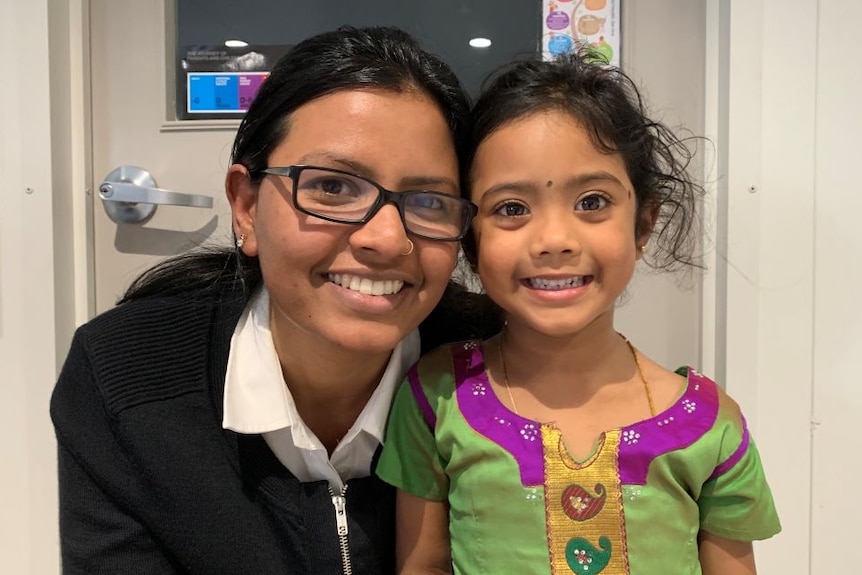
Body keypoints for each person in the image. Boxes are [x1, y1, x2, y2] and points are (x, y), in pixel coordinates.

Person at [50, 26, 501, 575]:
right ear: (246, 207)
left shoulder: (501, 372)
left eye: (428, 200)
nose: (386, 239)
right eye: (333, 187)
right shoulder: (124, 373)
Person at [377, 50, 781, 575]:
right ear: (471, 239)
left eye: (592, 201)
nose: (553, 241)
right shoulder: (436, 398)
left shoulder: (710, 425)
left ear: (643, 224)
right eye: (511, 208)